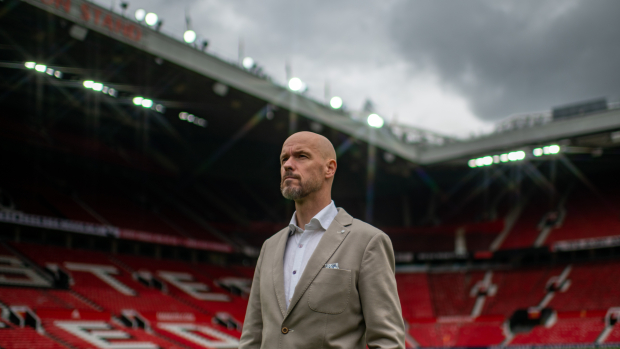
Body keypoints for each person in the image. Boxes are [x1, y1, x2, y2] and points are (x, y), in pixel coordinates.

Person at [239, 131, 405, 349]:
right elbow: (252, 337)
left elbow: (387, 342)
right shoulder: (270, 247)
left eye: (301, 156)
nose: (288, 165)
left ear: (329, 168)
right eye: (284, 159)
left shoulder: (368, 242)